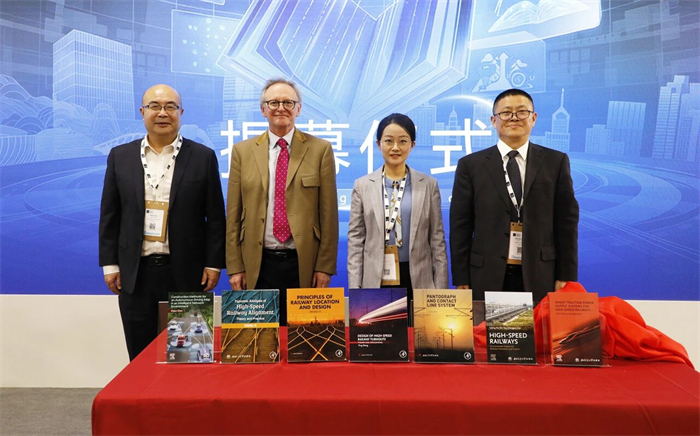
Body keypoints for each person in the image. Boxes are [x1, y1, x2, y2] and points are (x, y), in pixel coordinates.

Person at [99, 84, 226, 361]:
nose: (162, 113)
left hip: (187, 274)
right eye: (154, 106)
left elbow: (216, 217)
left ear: (181, 112)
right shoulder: (120, 156)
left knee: (189, 356)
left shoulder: (202, 157)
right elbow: (110, 215)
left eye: (170, 106)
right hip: (135, 274)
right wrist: (110, 265)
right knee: (140, 357)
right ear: (142, 112)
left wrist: (213, 263)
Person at [450, 88, 579, 304]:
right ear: (494, 120)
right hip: (487, 273)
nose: (514, 117)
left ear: (533, 118)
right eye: (506, 112)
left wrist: (566, 274)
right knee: (490, 328)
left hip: (541, 272)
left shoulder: (555, 162)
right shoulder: (470, 165)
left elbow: (567, 222)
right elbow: (460, 226)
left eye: (521, 111)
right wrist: (461, 276)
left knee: (538, 327)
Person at [226, 78, 339, 324]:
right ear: (263, 109)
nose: (281, 108)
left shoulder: (320, 150)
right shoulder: (242, 151)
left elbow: (329, 214)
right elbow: (233, 214)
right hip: (257, 262)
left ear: (298, 108)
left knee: (303, 339)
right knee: (259, 339)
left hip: (303, 262)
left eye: (288, 102)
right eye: (273, 102)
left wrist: (325, 267)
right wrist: (235, 267)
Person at [347, 113, 449, 315]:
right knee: (379, 329)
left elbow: (437, 240)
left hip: (418, 277)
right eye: (389, 141)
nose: (395, 147)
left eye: (403, 141)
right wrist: (355, 288)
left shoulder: (428, 185)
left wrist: (441, 289)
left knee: (419, 332)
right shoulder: (363, 185)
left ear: (412, 145)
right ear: (378, 144)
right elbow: (356, 241)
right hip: (376, 278)